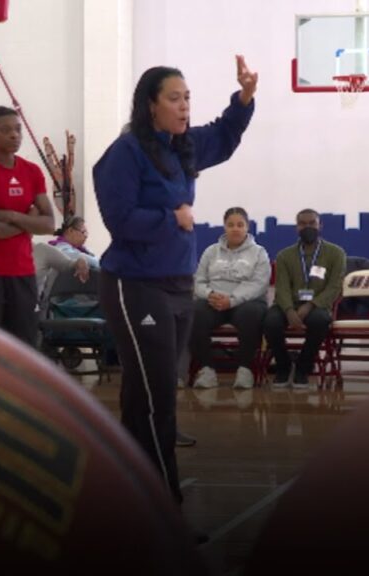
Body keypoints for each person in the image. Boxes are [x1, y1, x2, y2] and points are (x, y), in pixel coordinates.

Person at [93, 56, 257, 506]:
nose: (185, 107)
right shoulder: (125, 152)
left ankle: (126, 496)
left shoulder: (182, 146)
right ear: (150, 105)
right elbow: (119, 218)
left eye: (188, 98)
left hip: (177, 285)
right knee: (156, 398)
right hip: (134, 284)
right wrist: (172, 218)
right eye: (174, 98)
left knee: (146, 393)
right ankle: (164, 507)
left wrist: (244, 98)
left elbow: (223, 137)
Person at [0, 106, 55, 346]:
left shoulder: (32, 171)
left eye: (17, 129)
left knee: (24, 345)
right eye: (6, 130)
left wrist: (13, 216)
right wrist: (29, 220)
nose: (14, 135)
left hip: (23, 272)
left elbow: (49, 224)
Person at [263, 209, 346, 389]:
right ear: (296, 228)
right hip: (288, 305)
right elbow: (282, 288)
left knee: (320, 321)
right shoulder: (285, 255)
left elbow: (334, 287)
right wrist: (289, 310)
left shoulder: (335, 253)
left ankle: (303, 367)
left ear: (320, 226)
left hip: (318, 305)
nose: (307, 227)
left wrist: (310, 306)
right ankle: (283, 365)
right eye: (303, 224)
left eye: (312, 223)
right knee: (270, 321)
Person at [189, 207, 270, 390]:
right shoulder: (211, 251)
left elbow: (259, 284)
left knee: (251, 315)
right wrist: (209, 294)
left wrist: (232, 300)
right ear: (224, 227)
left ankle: (245, 370)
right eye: (231, 225)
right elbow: (198, 281)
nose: (235, 229)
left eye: (240, 225)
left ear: (247, 227)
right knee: (194, 314)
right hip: (214, 301)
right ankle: (206, 370)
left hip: (246, 302)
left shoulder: (259, 252)